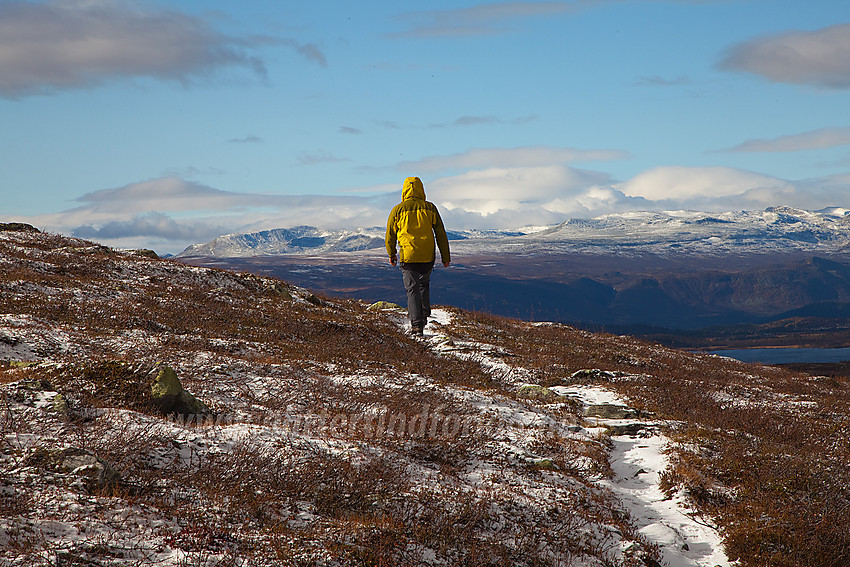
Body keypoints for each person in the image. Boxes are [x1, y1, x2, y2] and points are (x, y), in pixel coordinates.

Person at [385, 177, 451, 336]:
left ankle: (416, 326)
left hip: (408, 256)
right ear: (422, 190)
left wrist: (391, 253)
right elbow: (441, 233)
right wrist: (445, 256)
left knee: (412, 288)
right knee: (424, 284)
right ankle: (424, 314)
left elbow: (390, 235)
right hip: (427, 255)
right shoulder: (430, 208)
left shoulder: (397, 210)